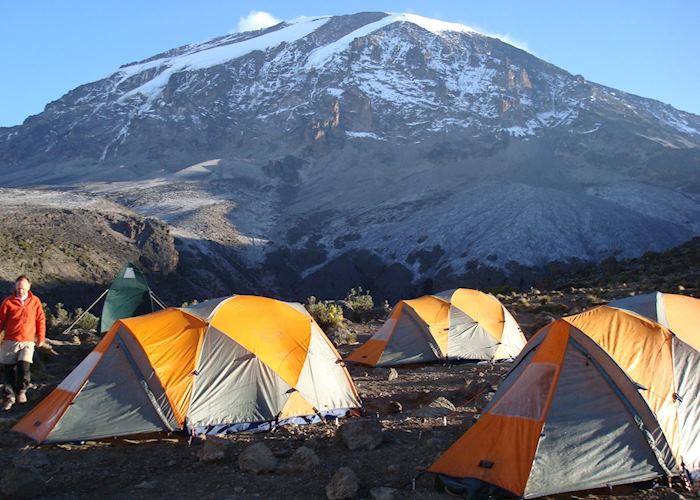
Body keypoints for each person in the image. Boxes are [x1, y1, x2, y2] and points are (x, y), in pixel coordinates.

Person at [0, 275, 45, 410]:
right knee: (7, 370)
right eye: (19, 288)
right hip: (10, 340)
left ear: (29, 287)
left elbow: (40, 319)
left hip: (27, 341)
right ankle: (9, 395)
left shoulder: (35, 301)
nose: (21, 291)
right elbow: (1, 321)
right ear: (15, 287)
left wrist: (41, 337)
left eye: (23, 288)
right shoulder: (8, 302)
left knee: (23, 367)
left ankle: (21, 392)